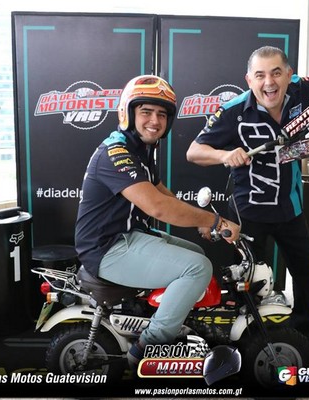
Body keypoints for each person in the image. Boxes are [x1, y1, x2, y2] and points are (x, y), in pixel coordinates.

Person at [186, 46, 309, 349]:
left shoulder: (300, 91)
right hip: (248, 214)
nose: (269, 82)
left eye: (276, 73)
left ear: (288, 75)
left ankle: (302, 331)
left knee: (307, 274)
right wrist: (224, 155)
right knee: (248, 280)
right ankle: (249, 337)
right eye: (260, 75)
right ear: (249, 80)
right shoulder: (233, 111)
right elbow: (194, 152)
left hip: (290, 210)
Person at [74, 74, 241, 368]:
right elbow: (158, 207)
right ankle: (148, 345)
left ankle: (172, 319)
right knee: (197, 267)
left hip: (126, 237)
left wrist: (200, 221)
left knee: (196, 253)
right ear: (127, 113)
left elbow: (162, 192)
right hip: (106, 249)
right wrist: (215, 221)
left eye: (162, 114)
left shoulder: (138, 149)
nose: (155, 120)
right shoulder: (116, 153)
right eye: (146, 112)